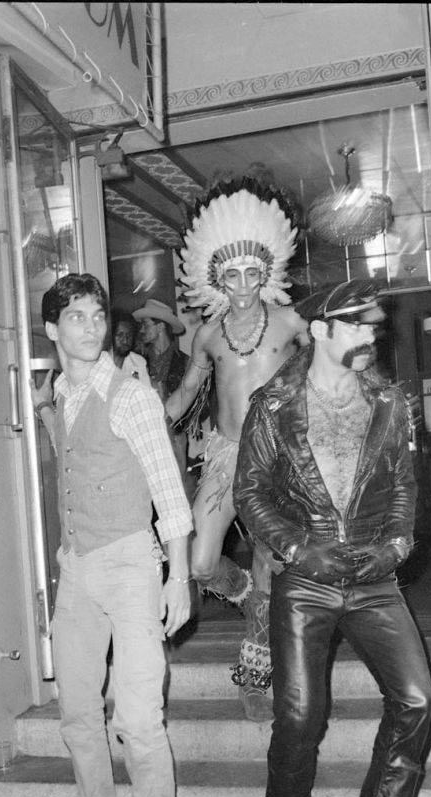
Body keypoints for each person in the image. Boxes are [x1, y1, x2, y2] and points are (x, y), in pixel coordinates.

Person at [232, 280, 431, 797]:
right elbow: (249, 493)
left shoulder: (389, 403)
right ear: (318, 329)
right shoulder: (273, 406)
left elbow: (404, 487)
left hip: (374, 574)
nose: (369, 334)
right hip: (307, 574)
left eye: (372, 325)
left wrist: (396, 545)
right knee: (300, 713)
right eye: (355, 324)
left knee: (419, 700)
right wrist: (299, 550)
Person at [31, 273, 192, 797]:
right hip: (76, 568)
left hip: (130, 566)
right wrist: (44, 411)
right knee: (76, 708)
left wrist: (178, 577)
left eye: (98, 315)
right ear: (52, 329)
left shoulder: (130, 395)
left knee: (138, 717)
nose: (92, 326)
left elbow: (169, 493)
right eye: (77, 316)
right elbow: (72, 466)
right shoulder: (59, 395)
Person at [165, 176, 308, 721]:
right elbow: (185, 394)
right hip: (225, 457)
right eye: (232, 274)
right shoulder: (207, 334)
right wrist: (144, 423)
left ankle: (254, 677)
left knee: (270, 562)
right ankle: (249, 596)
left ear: (268, 271)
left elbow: (328, 374)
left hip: (276, 460)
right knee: (199, 563)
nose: (244, 284)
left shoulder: (291, 322)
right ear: (214, 278)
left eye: (252, 272)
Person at [133, 298, 192, 496]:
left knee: (176, 494)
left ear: (160, 327)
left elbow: (198, 407)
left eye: (146, 324)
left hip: (175, 440)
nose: (142, 330)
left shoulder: (184, 362)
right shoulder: (137, 362)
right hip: (144, 442)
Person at [111, 316, 150, 385]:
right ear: (110, 336)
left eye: (129, 336)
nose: (125, 341)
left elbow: (146, 388)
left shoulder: (138, 362)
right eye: (120, 335)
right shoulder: (98, 362)